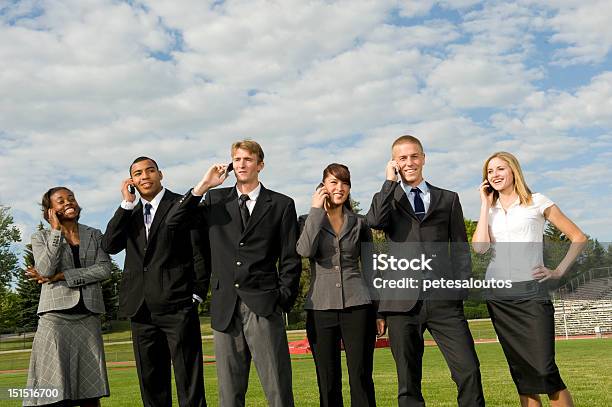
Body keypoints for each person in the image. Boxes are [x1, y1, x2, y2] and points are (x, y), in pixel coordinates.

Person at [166, 140, 302, 407]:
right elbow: (174, 222)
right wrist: (202, 187)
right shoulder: (215, 199)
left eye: (248, 159)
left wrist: (282, 299)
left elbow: (290, 258)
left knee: (278, 388)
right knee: (228, 393)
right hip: (225, 305)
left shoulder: (282, 204)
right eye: (236, 159)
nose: (241, 164)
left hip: (264, 304)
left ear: (260, 165)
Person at [366, 135, 485, 407]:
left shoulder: (448, 199)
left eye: (414, 156)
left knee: (468, 370)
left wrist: (460, 288)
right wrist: (389, 182)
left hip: (444, 301)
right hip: (401, 303)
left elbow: (460, 247)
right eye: (402, 158)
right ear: (394, 162)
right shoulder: (388, 198)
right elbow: (374, 221)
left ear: (423, 157)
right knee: (408, 382)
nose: (410, 162)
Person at [472, 151, 586, 407]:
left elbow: (578, 237)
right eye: (490, 172)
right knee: (523, 375)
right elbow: (480, 248)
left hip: (532, 294)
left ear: (514, 171)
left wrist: (557, 271)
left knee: (546, 372)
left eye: (500, 169)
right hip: (499, 296)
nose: (495, 175)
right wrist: (483, 204)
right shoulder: (488, 211)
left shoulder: (537, 202)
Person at [101, 157, 207, 407]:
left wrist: (198, 293)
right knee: (151, 381)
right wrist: (126, 205)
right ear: (132, 182)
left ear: (160, 174)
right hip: (140, 308)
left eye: (150, 171)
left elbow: (199, 253)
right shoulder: (130, 213)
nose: (144, 176)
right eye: (137, 174)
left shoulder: (182, 204)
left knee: (188, 379)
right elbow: (109, 246)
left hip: (178, 305)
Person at [297, 163, 382, 407]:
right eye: (334, 182)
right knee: (327, 378)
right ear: (323, 186)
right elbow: (304, 250)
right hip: (320, 306)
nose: (340, 187)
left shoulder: (359, 223)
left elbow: (371, 267)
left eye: (345, 182)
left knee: (361, 375)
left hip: (359, 305)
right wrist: (316, 210)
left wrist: (378, 311)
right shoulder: (306, 220)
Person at [24, 187, 110, 406]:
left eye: (70, 198)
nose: (68, 202)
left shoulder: (94, 234)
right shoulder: (41, 237)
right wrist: (55, 232)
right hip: (55, 319)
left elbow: (104, 269)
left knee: (91, 393)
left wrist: (63, 275)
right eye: (60, 201)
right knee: (54, 391)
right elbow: (44, 269)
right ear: (50, 210)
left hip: (88, 317)